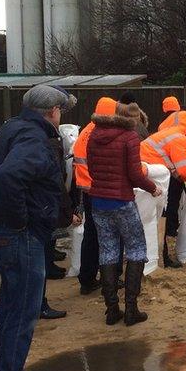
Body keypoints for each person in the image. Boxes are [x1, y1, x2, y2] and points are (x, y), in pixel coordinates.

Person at [0, 84, 73, 371]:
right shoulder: (33, 137)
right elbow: (6, 175)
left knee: (11, 308)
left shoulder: (12, 129)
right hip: (21, 235)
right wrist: (17, 220)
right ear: (52, 112)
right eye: (61, 110)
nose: (61, 116)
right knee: (22, 311)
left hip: (10, 232)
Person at [87, 101, 163, 326]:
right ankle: (131, 309)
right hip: (122, 202)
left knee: (108, 251)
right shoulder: (129, 137)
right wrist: (153, 188)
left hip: (99, 202)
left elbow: (91, 169)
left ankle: (111, 309)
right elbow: (135, 174)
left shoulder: (94, 134)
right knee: (137, 250)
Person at [140, 113, 186, 268]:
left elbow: (172, 164)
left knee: (152, 218)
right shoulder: (180, 139)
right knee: (158, 216)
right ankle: (160, 259)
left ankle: (158, 257)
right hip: (152, 174)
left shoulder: (170, 134)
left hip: (145, 170)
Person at [41, 87, 81, 319]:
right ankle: (39, 304)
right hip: (43, 205)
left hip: (40, 204)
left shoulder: (24, 132)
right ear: (53, 110)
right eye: (61, 109)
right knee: (42, 241)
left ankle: (49, 262)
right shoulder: (48, 140)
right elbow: (56, 180)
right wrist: (68, 211)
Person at [72, 97, 117, 295]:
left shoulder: (86, 131)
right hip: (100, 190)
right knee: (104, 236)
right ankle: (98, 279)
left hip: (88, 189)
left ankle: (87, 278)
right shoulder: (103, 133)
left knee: (91, 235)